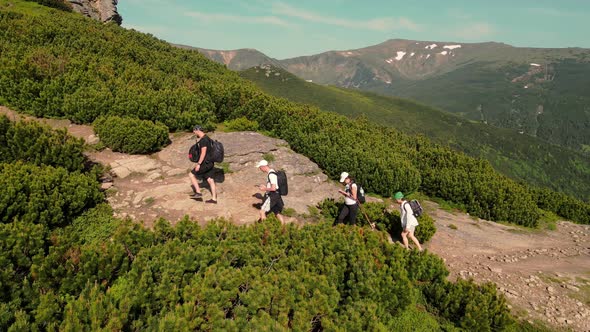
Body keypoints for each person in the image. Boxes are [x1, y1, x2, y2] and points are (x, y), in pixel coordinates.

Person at [188, 125, 217, 204]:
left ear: (197, 130)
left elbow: (203, 153)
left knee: (191, 174)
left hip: (205, 163)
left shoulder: (203, 140)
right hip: (210, 162)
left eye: (194, 131)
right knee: (210, 180)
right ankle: (214, 199)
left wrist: (198, 164)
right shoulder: (208, 138)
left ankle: (198, 192)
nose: (194, 132)